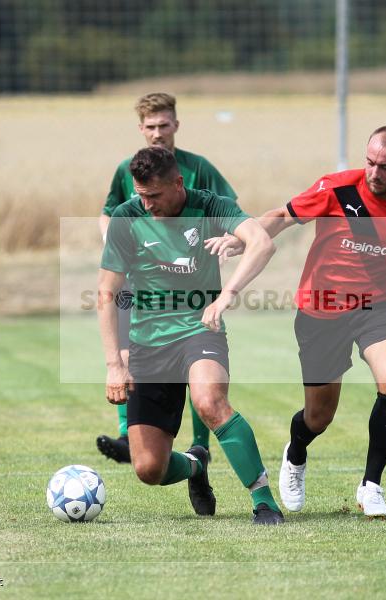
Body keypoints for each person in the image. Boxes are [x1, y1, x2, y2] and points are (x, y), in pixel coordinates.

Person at [206, 126, 386, 519]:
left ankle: (371, 485)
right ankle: (297, 450)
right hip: (321, 311)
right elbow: (281, 217)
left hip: (377, 305)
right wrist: (246, 238)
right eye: (369, 162)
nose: (374, 172)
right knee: (318, 417)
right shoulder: (336, 189)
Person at [97, 146, 284, 525]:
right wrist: (115, 364)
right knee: (148, 469)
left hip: (200, 330)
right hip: (148, 344)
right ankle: (196, 467)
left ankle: (263, 500)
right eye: (140, 194)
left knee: (210, 402)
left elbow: (262, 242)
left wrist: (228, 293)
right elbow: (106, 293)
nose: (146, 204)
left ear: (178, 184)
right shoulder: (126, 217)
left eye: (154, 195)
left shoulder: (209, 205)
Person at [97, 92, 238, 465]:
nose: (158, 133)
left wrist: (229, 238)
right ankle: (130, 436)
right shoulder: (130, 169)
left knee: (197, 368)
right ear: (141, 129)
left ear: (176, 124)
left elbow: (231, 210)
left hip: (189, 284)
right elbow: (108, 213)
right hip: (140, 278)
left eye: (164, 125)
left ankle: (198, 444)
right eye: (151, 126)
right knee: (128, 350)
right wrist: (115, 244)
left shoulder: (197, 168)